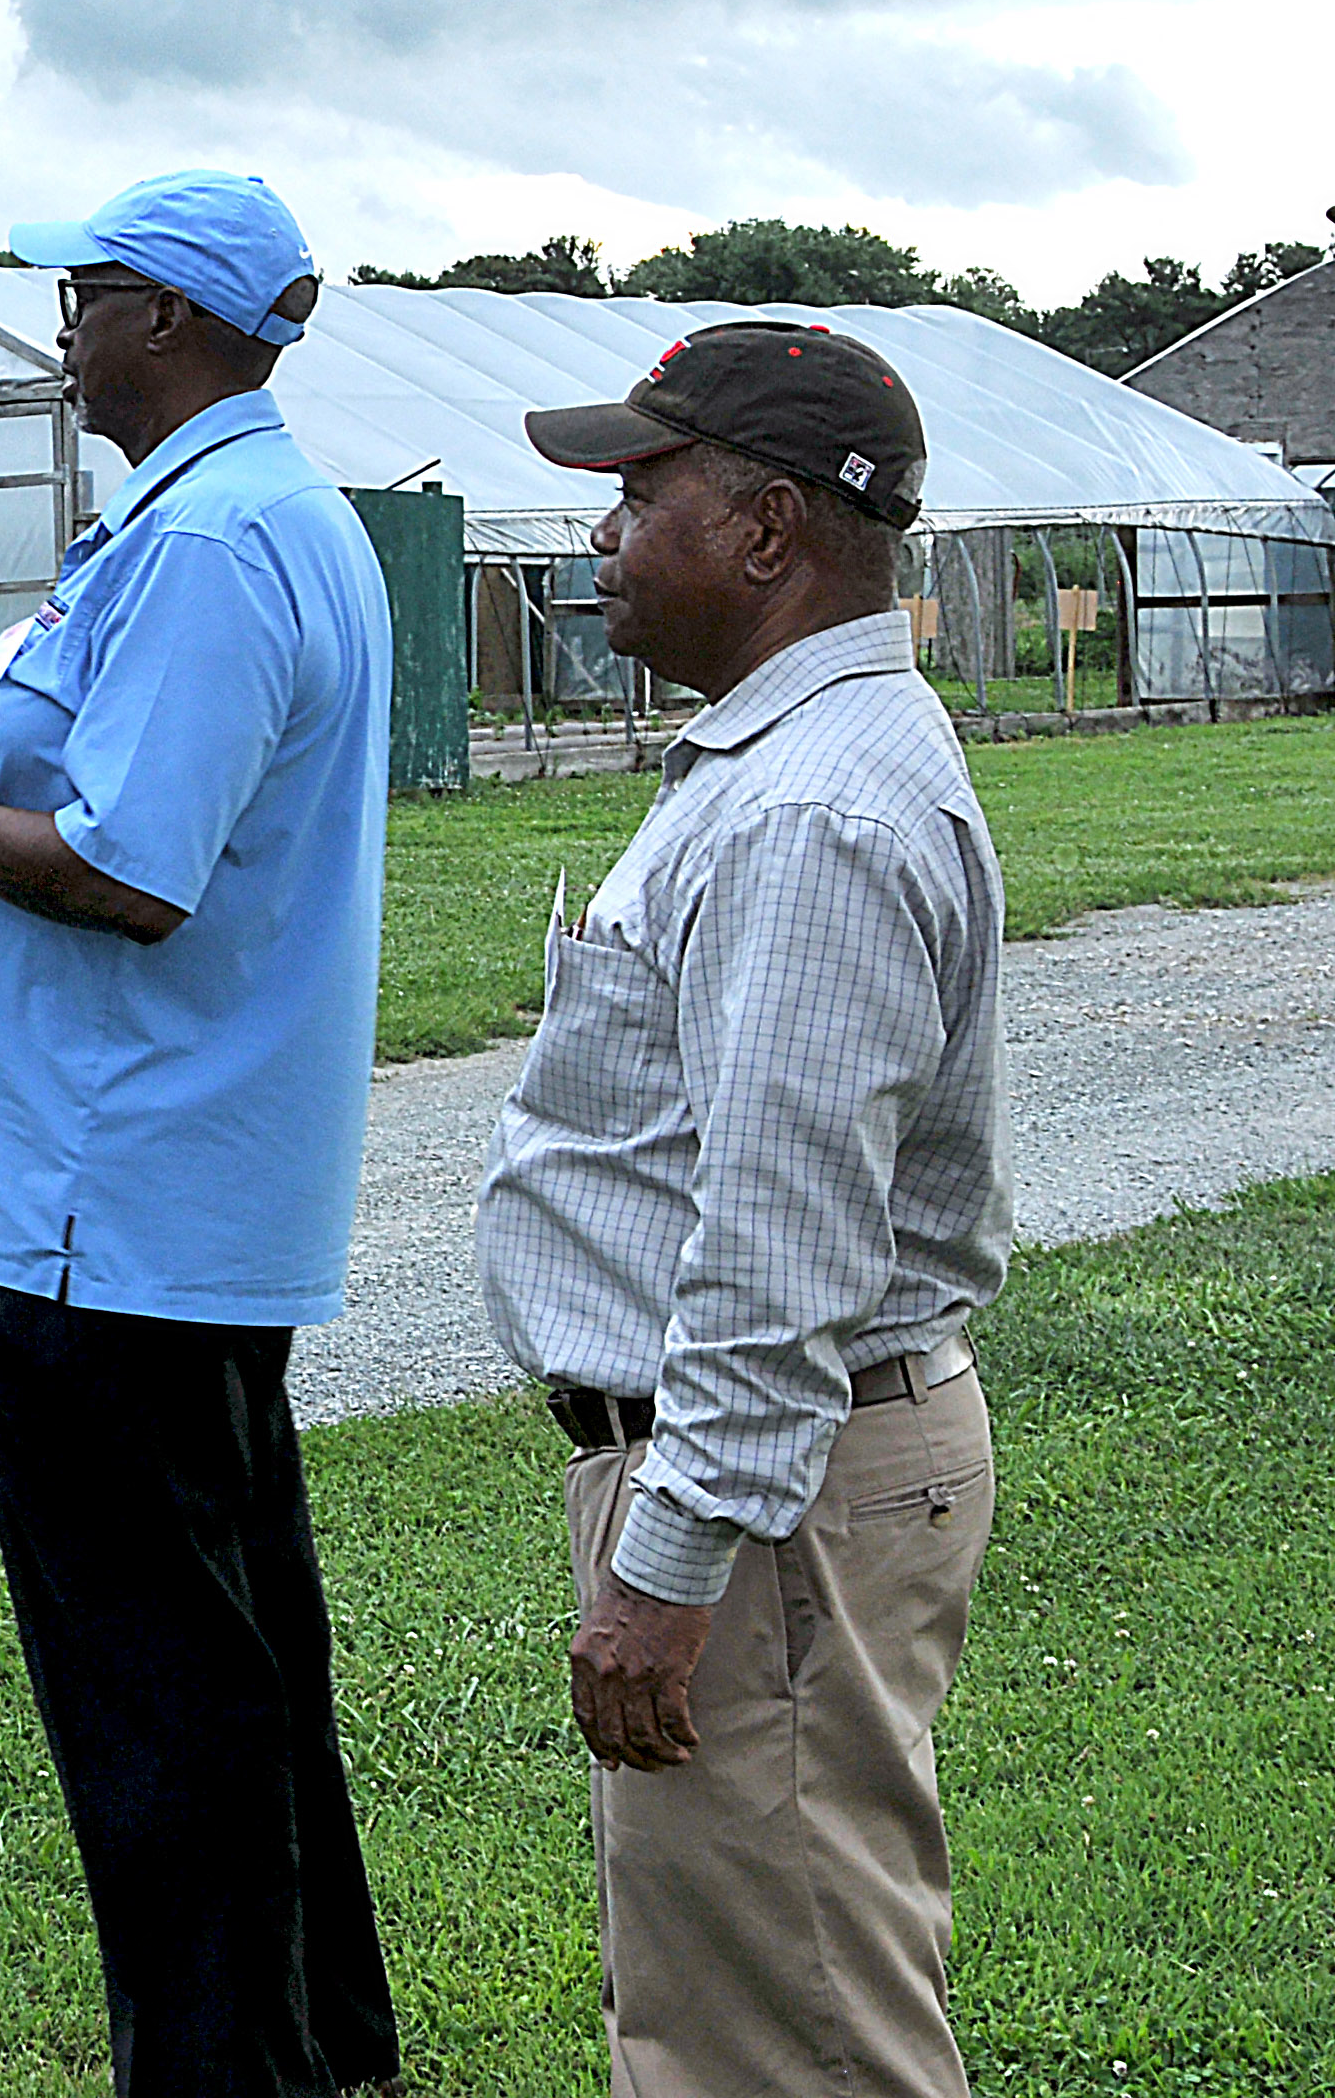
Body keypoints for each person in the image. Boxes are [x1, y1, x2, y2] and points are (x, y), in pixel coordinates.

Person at [0, 171, 401, 2096]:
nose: (59, 324)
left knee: (156, 1695)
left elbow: (127, 874)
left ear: (171, 316)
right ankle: (303, 2049)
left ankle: (225, 2066)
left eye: (85, 292)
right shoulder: (209, 519)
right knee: (225, 1661)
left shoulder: (213, 543)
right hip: (125, 1194)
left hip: (101, 1205)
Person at [485, 323, 1006, 2098]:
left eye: (639, 492)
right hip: (786, 1475)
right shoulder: (791, 758)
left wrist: (673, 1551)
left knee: (791, 2038)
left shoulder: (807, 811)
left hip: (767, 1493)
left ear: (766, 526)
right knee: (735, 2008)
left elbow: (778, 1246)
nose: (601, 536)